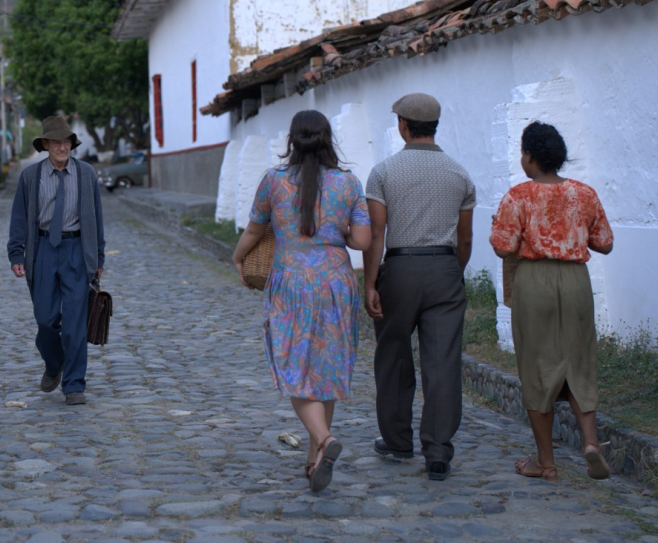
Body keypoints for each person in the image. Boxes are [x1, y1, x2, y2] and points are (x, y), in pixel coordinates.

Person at [231, 110, 371, 493]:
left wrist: (238, 256)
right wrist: (338, 226)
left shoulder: (274, 182)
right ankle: (314, 460)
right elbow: (362, 241)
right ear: (328, 139)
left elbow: (256, 227)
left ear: (292, 140)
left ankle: (324, 443)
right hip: (337, 284)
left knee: (294, 369)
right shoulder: (348, 183)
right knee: (324, 370)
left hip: (291, 283)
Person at [490, 121, 614, 481]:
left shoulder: (519, 196)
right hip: (575, 282)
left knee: (537, 367)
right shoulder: (584, 194)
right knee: (579, 363)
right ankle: (590, 442)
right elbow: (605, 243)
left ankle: (546, 463)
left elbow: (502, 247)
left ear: (530, 157)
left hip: (534, 283)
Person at [363, 93, 474, 481]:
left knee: (393, 355)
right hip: (444, 267)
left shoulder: (384, 172)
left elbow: (377, 235)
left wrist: (370, 283)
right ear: (435, 126)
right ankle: (438, 451)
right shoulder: (459, 174)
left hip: (400, 268)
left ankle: (397, 440)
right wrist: (452, 272)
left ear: (403, 125)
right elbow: (465, 241)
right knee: (442, 361)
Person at [7, 115, 106, 406]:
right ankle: (54, 363)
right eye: (56, 142)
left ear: (71, 144)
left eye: (67, 142)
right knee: (46, 320)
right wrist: (16, 252)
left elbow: (97, 218)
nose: (62, 147)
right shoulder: (30, 177)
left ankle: (74, 385)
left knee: (75, 323)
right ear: (46, 145)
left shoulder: (86, 174)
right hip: (44, 251)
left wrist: (99, 256)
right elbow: (18, 218)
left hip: (77, 249)